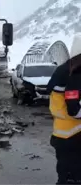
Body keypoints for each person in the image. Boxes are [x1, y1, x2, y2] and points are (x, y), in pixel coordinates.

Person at [47, 33, 81, 185]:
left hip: (63, 135)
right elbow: (73, 109)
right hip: (73, 137)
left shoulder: (64, 69)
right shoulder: (75, 73)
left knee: (65, 177)